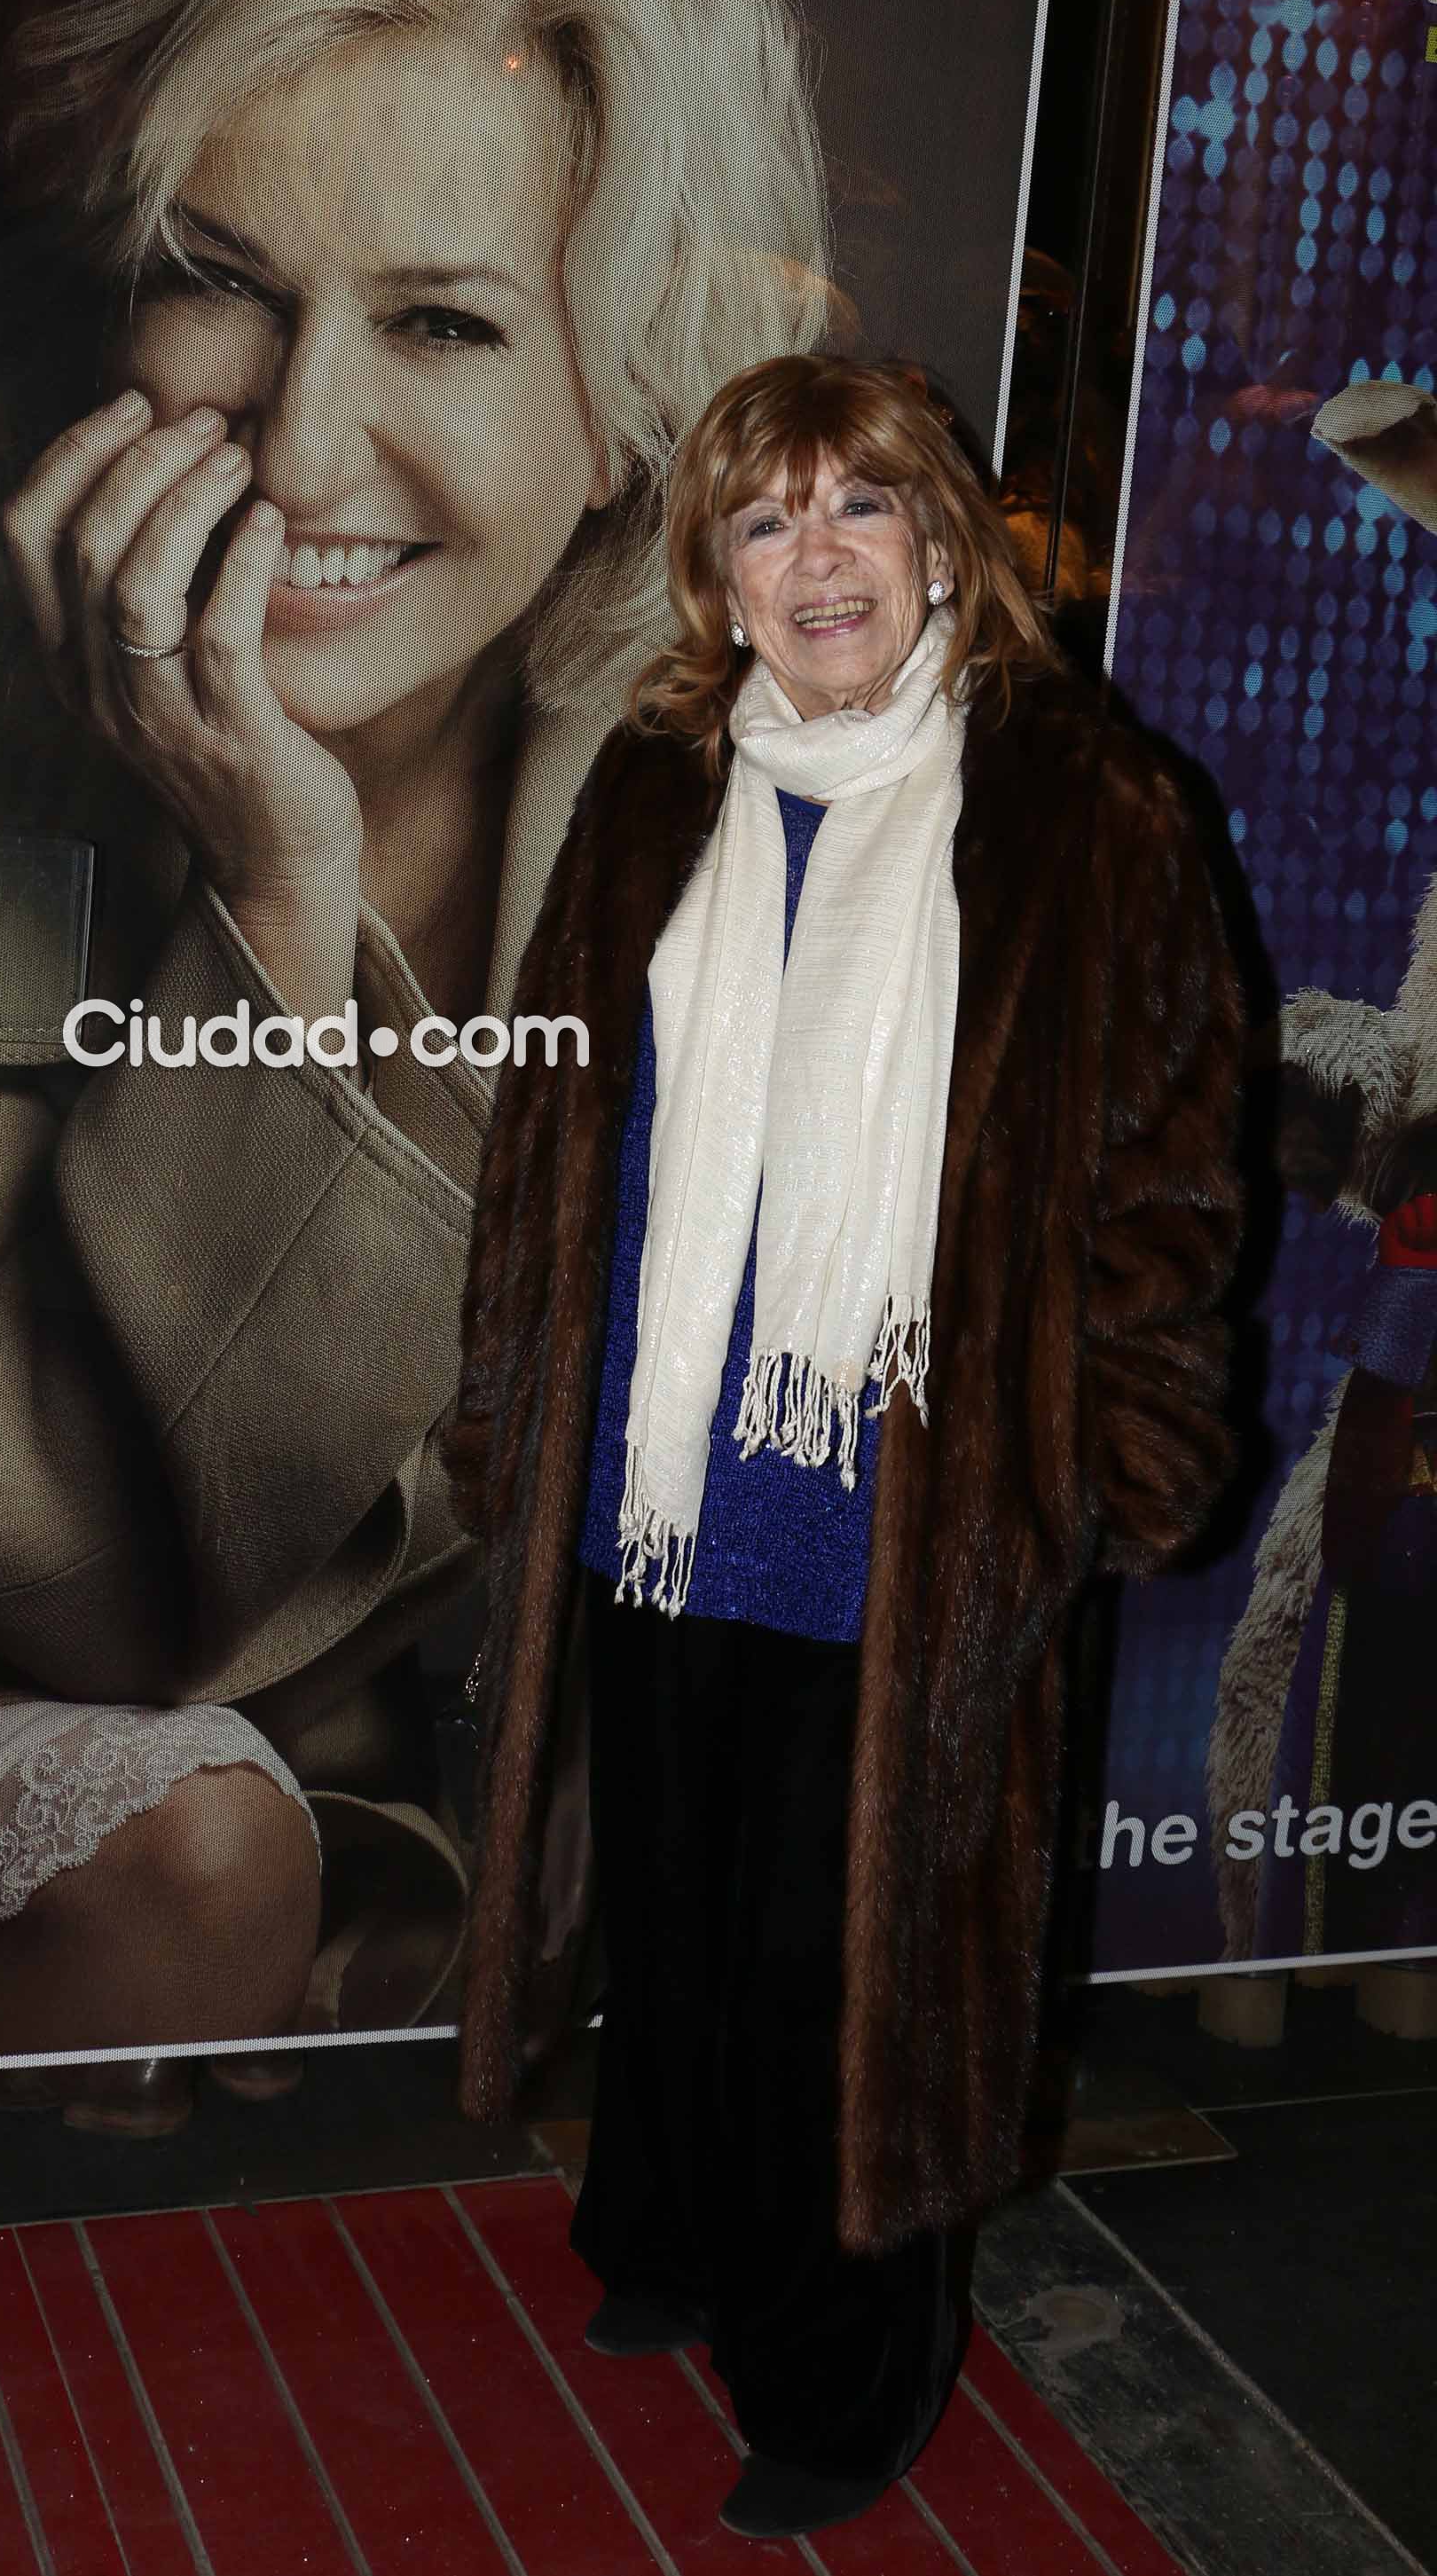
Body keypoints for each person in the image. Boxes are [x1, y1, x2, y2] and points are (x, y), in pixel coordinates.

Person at [0, 0, 839, 2126]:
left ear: (621, 380)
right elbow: (68, 1583)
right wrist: (279, 891)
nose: (307, 443)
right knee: (191, 1858)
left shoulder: (718, 733)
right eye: (221, 279)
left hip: (375, 1736)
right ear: (99, 276)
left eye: (439, 321)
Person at [439, 352, 1247, 2541]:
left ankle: (850, 2368)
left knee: (850, 1963)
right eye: (770, 520)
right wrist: (520, 1399)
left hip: (908, 1497)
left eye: (862, 511)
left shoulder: (1089, 810)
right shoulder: (648, 787)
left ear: (942, 545)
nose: (819, 563)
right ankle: (676, 2238)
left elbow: (1167, 1186)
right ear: (714, 566)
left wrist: (1110, 1460)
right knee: (684, 1905)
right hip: (665, 1468)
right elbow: (551, 1133)